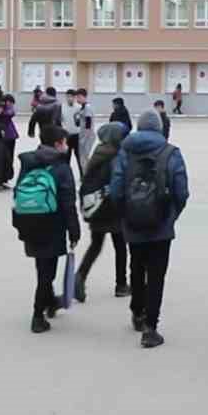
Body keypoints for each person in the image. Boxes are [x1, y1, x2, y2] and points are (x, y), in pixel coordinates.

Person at [109, 111, 189, 348]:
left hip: (132, 221)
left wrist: (125, 212)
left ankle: (136, 311)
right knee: (156, 274)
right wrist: (171, 216)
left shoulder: (125, 151)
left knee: (136, 264)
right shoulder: (171, 153)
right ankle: (150, 327)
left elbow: (115, 189)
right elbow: (181, 192)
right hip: (161, 225)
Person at [14, 125, 80, 334]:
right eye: (64, 142)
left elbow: (19, 191)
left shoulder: (30, 161)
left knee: (42, 267)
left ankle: (50, 302)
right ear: (57, 144)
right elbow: (68, 202)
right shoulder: (61, 167)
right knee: (46, 273)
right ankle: (37, 315)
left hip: (29, 222)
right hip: (53, 224)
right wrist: (74, 230)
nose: (67, 146)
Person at [75, 122, 131, 301]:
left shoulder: (98, 153)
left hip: (96, 207)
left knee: (95, 245)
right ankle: (121, 284)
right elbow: (119, 184)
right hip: (112, 208)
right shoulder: (117, 156)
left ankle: (80, 276)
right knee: (121, 246)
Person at [65, 90, 88, 178]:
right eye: (68, 96)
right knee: (66, 157)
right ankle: (66, 176)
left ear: (75, 98)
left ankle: (83, 176)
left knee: (79, 157)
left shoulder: (79, 108)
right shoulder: (62, 107)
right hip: (66, 136)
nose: (69, 98)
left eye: (71, 96)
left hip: (77, 135)